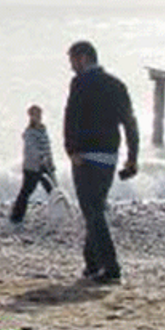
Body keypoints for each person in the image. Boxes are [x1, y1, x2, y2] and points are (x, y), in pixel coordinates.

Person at [64, 40, 138, 285]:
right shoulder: (117, 84)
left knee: (93, 211)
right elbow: (129, 122)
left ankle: (110, 266)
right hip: (109, 154)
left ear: (83, 58)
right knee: (96, 208)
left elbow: (71, 117)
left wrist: (71, 149)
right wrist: (132, 157)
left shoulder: (80, 83)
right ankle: (92, 262)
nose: (71, 66)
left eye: (73, 60)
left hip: (86, 155)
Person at [9, 104, 56, 224]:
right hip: (32, 167)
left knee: (53, 191)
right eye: (35, 115)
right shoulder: (29, 132)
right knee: (26, 192)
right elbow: (31, 149)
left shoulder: (43, 129)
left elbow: (48, 148)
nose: (38, 117)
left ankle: (58, 215)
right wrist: (41, 157)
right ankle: (16, 217)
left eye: (39, 114)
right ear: (31, 116)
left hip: (45, 166)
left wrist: (50, 162)